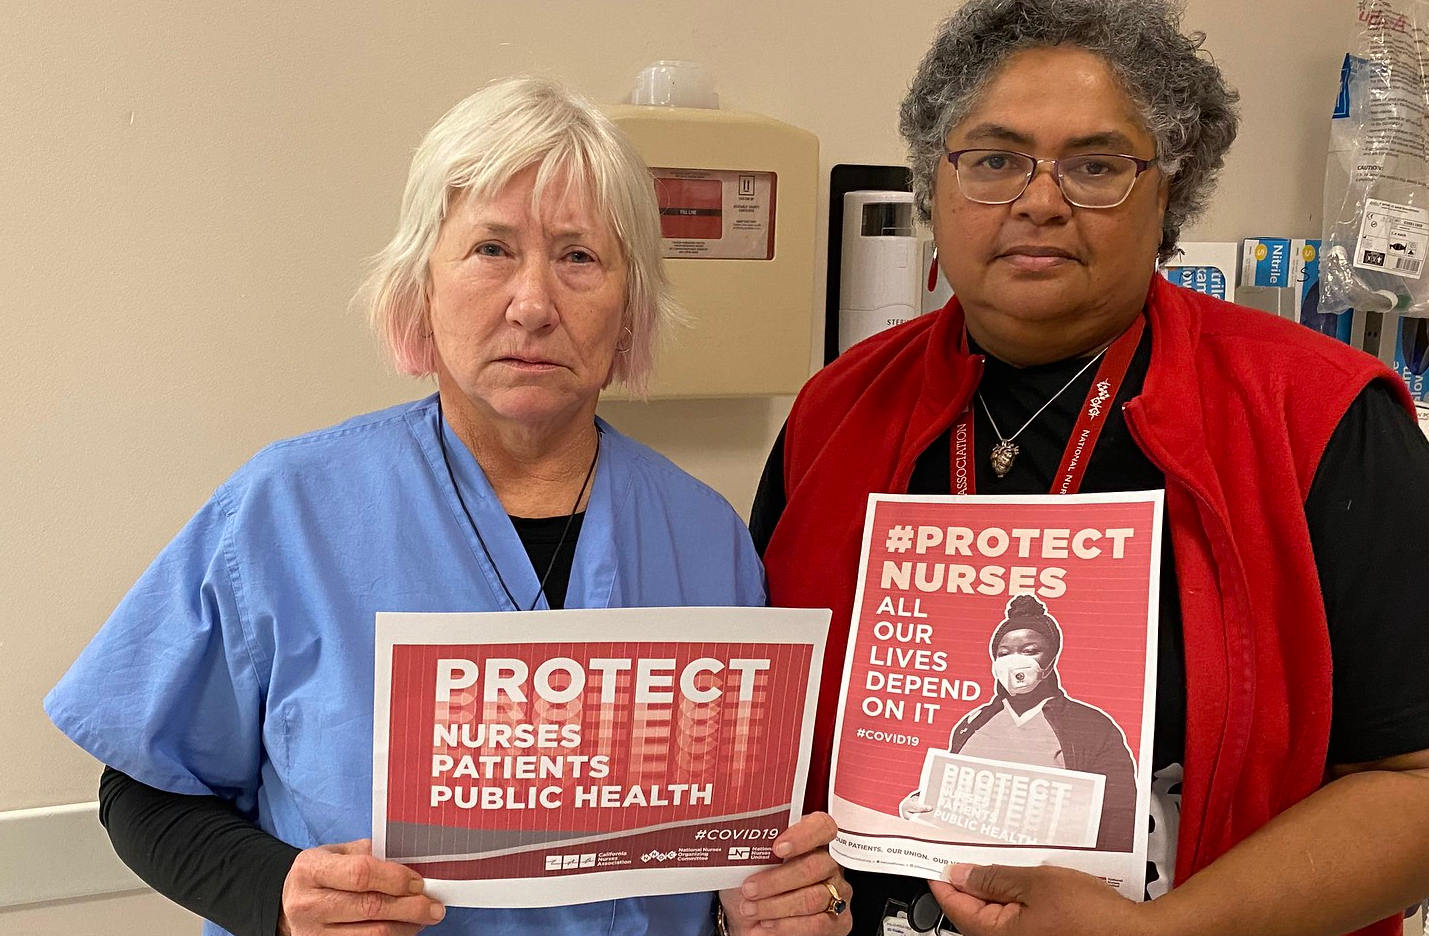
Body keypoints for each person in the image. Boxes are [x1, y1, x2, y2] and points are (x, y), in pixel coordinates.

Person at [750, 1, 1429, 935]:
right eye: (996, 159)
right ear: (936, 184)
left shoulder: (1314, 416)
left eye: (1095, 165)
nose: (1040, 201)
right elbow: (774, 744)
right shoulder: (836, 413)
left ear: (1169, 194)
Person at [45, 76, 851, 936]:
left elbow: (729, 855)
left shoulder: (705, 539)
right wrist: (276, 894)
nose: (534, 304)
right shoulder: (286, 513)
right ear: (421, 288)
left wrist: (770, 907)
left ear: (629, 312)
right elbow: (141, 788)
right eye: (491, 250)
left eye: (579, 256)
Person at [899, 594, 1138, 853]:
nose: (1015, 661)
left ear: (1052, 658)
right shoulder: (972, 723)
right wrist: (917, 804)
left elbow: (1120, 814)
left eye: (1030, 651)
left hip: (1049, 874)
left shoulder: (1093, 727)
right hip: (967, 862)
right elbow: (954, 794)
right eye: (1004, 653)